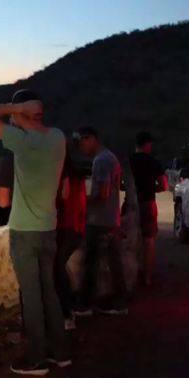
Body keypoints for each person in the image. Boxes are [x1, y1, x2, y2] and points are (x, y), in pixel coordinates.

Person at [0, 89, 69, 376]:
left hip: (25, 230)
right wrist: (25, 111)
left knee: (31, 295)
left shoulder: (21, 143)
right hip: (49, 228)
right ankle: (60, 352)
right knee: (49, 291)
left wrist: (14, 108)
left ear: (21, 114)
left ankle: (37, 358)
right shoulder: (57, 137)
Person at [74, 126, 128, 316]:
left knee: (91, 264)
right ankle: (120, 303)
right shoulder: (110, 157)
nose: (81, 147)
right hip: (111, 219)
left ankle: (85, 305)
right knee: (114, 264)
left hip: (100, 221)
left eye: (81, 142)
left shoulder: (101, 160)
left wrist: (81, 200)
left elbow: (103, 193)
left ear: (90, 139)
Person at [128, 131, 168, 288]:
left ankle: (130, 274)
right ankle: (147, 277)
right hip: (148, 203)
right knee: (149, 241)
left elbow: (119, 183)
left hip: (130, 203)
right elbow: (164, 186)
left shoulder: (128, 161)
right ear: (148, 145)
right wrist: (152, 189)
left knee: (129, 239)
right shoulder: (153, 162)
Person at [54, 147, 87, 330]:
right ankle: (68, 310)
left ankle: (67, 313)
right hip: (75, 228)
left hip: (67, 228)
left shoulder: (65, 178)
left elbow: (66, 205)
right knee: (59, 269)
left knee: (57, 270)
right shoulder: (76, 176)